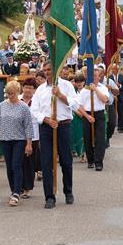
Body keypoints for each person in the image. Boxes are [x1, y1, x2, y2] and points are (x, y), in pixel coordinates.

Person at [30, 61, 79, 209]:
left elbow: (76, 104)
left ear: (56, 69)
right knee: (46, 163)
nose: (47, 72)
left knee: (66, 160)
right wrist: (45, 120)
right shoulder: (40, 90)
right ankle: (49, 196)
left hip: (63, 126)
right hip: (46, 128)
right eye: (44, 70)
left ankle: (68, 191)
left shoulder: (66, 85)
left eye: (49, 69)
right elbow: (34, 110)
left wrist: (60, 95)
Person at [0, 81, 33, 206]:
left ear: (17, 92)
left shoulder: (23, 107)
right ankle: (13, 189)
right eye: (8, 93)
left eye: (12, 93)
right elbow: (0, 119)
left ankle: (17, 192)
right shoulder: (2, 105)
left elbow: (28, 125)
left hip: (19, 139)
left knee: (16, 165)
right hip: (5, 139)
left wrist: (29, 143)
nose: (10, 96)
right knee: (9, 166)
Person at [77, 69, 109, 171]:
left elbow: (105, 99)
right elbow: (79, 106)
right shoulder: (84, 90)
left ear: (99, 77)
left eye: (96, 76)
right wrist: (87, 116)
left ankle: (98, 162)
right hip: (87, 114)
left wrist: (95, 89)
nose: (94, 78)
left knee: (100, 139)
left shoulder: (102, 88)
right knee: (88, 138)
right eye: (92, 76)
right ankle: (90, 159)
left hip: (99, 114)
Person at [19, 78, 41, 199]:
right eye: (26, 87)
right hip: (18, 134)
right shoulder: (17, 99)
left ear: (34, 90)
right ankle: (19, 186)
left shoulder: (37, 101)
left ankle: (27, 187)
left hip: (33, 135)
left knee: (29, 161)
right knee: (19, 160)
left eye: (31, 88)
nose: (28, 90)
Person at [70, 73, 86, 163]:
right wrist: (77, 112)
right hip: (75, 116)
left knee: (84, 135)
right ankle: (77, 151)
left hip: (85, 115)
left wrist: (83, 113)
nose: (79, 83)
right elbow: (72, 104)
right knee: (77, 135)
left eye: (81, 81)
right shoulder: (73, 92)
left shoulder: (86, 90)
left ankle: (84, 154)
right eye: (77, 82)